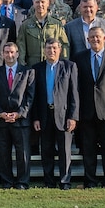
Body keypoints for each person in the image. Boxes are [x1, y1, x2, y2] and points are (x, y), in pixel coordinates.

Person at [73, 25, 105, 188]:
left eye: (98, 37)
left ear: (104, 38)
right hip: (86, 111)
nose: (95, 39)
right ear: (87, 40)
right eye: (92, 37)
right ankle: (90, 180)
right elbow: (75, 86)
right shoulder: (79, 58)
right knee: (88, 149)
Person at [31, 38, 79, 189]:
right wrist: (36, 117)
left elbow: (74, 93)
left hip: (63, 116)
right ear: (44, 50)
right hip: (45, 115)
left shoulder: (69, 66)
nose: (51, 51)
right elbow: (35, 96)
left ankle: (65, 181)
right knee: (46, 150)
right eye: (48, 48)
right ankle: (49, 181)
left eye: (54, 48)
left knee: (65, 151)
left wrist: (73, 116)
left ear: (60, 50)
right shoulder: (37, 68)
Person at [0, 41, 35, 189]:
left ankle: (22, 182)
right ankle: (6, 181)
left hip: (20, 121)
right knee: (3, 153)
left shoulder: (28, 72)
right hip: (2, 120)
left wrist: (19, 113)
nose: (9, 55)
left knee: (22, 154)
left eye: (12, 52)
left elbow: (30, 96)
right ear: (2, 54)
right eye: (7, 52)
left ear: (17, 54)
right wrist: (0, 113)